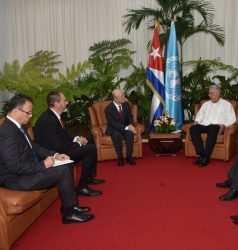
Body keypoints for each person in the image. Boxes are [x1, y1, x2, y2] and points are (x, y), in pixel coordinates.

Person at [0, 93, 94, 224]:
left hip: (27, 170)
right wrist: (43, 165)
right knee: (62, 171)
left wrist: (55, 155)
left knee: (65, 164)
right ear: (16, 110)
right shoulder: (7, 133)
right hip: (17, 179)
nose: (31, 116)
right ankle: (69, 214)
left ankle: (69, 206)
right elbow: (14, 167)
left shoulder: (17, 126)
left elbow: (34, 147)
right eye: (28, 113)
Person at [34, 91, 104, 197]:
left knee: (89, 139)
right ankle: (82, 187)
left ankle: (88, 177)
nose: (67, 102)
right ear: (56, 104)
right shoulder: (48, 121)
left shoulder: (54, 116)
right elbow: (58, 147)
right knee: (90, 149)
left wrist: (77, 138)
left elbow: (63, 136)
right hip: (54, 156)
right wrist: (78, 144)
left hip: (60, 149)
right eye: (64, 100)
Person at [189, 84, 236, 167]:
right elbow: (199, 116)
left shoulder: (227, 105)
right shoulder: (206, 104)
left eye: (211, 93)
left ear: (218, 93)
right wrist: (196, 122)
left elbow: (232, 119)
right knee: (193, 128)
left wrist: (224, 125)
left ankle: (204, 158)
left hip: (216, 126)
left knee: (212, 128)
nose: (209, 95)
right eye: (209, 93)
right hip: (204, 124)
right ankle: (202, 154)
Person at [105, 89, 137, 167]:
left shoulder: (126, 104)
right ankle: (120, 157)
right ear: (115, 99)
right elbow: (113, 123)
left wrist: (131, 125)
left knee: (129, 133)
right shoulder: (108, 109)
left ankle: (129, 156)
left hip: (126, 127)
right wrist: (127, 127)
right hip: (115, 129)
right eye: (122, 96)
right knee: (116, 134)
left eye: (124, 95)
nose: (124, 97)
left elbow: (130, 117)